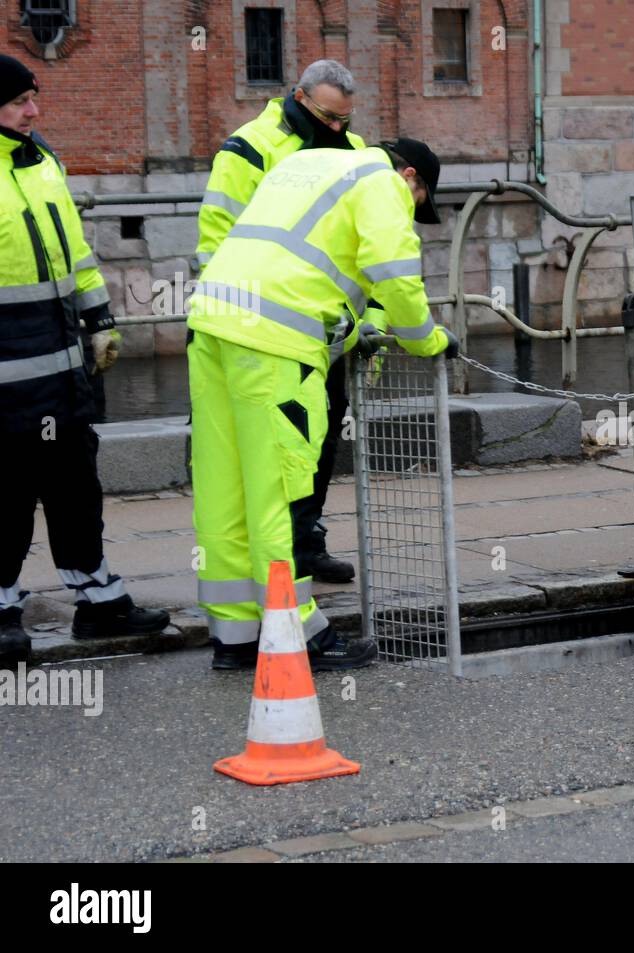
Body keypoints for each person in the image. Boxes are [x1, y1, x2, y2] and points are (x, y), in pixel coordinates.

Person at [187, 137, 458, 671]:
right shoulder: (383, 184)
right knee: (278, 493)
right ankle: (299, 632)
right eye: (418, 199)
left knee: (225, 489)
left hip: (214, 324)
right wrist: (427, 340)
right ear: (411, 178)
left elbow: (306, 267)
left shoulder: (308, 163)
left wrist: (357, 325)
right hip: (275, 347)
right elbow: (395, 276)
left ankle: (237, 636)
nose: (412, 208)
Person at [0, 55, 169, 664]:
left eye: (33, 98)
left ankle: (98, 601)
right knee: (8, 496)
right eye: (20, 101)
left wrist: (100, 319)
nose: (34, 110)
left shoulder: (40, 161)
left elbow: (75, 255)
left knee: (76, 489)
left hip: (65, 371)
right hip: (8, 383)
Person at [197, 58, 365, 585]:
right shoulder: (249, 147)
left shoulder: (354, 151)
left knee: (321, 440)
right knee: (276, 455)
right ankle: (278, 563)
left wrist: (368, 321)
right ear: (299, 96)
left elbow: (370, 250)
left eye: (345, 119)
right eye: (329, 117)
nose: (337, 129)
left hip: (328, 333)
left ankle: (306, 540)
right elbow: (217, 240)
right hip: (266, 336)